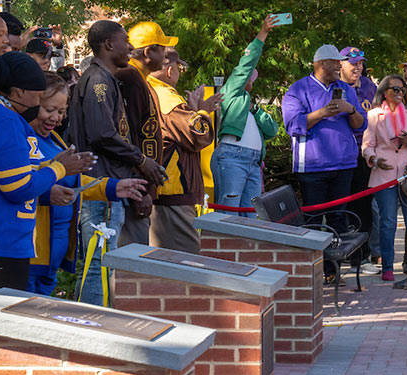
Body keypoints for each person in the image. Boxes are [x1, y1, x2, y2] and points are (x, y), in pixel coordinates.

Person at [0, 51, 95, 290]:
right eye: (38, 92)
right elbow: (18, 188)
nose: (40, 98)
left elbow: (1, 173)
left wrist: (48, 168)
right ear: (21, 91)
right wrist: (58, 168)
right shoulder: (5, 120)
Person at [69, 20, 164, 304]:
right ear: (109, 44)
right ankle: (92, 325)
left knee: (101, 261)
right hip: (101, 185)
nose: (130, 47)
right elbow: (101, 133)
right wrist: (141, 159)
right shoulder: (97, 80)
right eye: (125, 40)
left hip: (109, 183)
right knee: (98, 262)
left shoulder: (108, 79)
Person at [28, 73, 146, 295]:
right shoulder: (23, 140)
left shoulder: (55, 140)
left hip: (54, 255)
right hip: (32, 253)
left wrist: (113, 188)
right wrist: (46, 193)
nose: (55, 118)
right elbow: (20, 184)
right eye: (49, 109)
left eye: (61, 112)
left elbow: (73, 181)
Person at [281, 45, 368, 279]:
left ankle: (333, 270)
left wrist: (349, 110)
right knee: (314, 221)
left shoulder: (345, 90)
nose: (340, 66)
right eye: (335, 63)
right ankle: (311, 272)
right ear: (320, 64)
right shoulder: (298, 90)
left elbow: (361, 124)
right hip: (312, 166)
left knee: (339, 217)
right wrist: (322, 113)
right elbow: (292, 125)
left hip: (344, 164)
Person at [148, 49, 222, 252]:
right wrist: (202, 111)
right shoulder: (168, 98)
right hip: (173, 192)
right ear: (170, 70)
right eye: (179, 67)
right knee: (186, 260)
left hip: (162, 191)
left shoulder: (150, 89)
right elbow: (199, 135)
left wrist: (194, 110)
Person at [212, 15, 283, 217]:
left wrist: (255, 109)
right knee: (230, 212)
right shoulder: (232, 92)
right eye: (250, 76)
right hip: (232, 157)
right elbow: (245, 65)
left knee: (251, 214)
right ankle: (222, 248)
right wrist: (262, 34)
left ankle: (245, 250)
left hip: (253, 162)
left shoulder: (250, 105)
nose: (251, 80)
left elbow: (272, 130)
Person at [117, 21, 175, 246]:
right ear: (149, 52)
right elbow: (128, 134)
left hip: (138, 181)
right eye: (162, 49)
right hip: (133, 183)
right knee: (131, 259)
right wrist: (140, 190)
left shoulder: (138, 78)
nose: (165, 56)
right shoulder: (131, 78)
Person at [363, 74, 407, 281]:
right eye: (395, 89)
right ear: (385, 92)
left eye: (402, 89)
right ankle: (388, 266)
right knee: (387, 221)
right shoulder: (374, 115)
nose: (399, 93)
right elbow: (367, 145)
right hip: (384, 172)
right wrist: (374, 159)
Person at [340, 47, 378, 275]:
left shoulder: (369, 86)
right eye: (353, 63)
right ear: (341, 64)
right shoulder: (334, 87)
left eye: (360, 63)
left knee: (363, 207)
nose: (358, 67)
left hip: (363, 154)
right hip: (339, 154)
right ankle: (335, 257)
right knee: (339, 207)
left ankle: (362, 258)